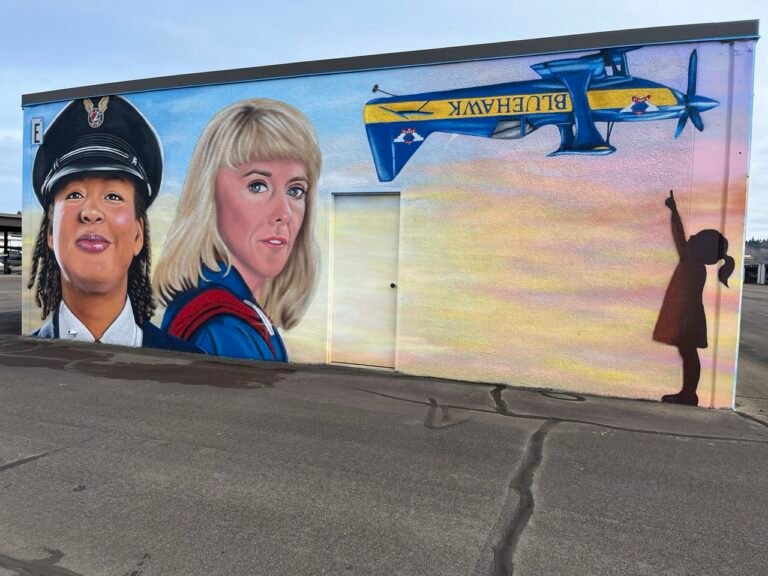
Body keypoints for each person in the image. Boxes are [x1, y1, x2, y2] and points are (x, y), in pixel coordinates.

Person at [28, 95, 202, 353]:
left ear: (138, 235)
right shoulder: (27, 359)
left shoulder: (190, 361)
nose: (91, 212)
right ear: (50, 232)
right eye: (75, 194)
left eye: (113, 196)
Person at [153, 99, 321, 361]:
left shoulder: (246, 312)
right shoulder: (221, 330)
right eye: (257, 186)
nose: (284, 213)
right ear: (209, 196)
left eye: (295, 190)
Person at [653, 190, 735, 406]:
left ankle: (689, 394)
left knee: (689, 355)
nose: (691, 237)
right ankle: (688, 393)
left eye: (695, 238)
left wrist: (674, 211)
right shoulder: (696, 265)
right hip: (690, 318)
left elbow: (678, 235)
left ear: (701, 248)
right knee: (688, 355)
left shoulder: (692, 264)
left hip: (687, 319)